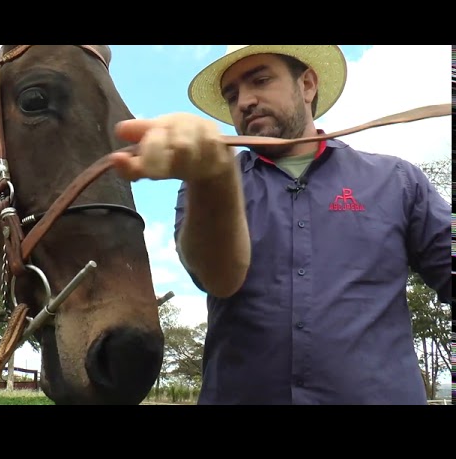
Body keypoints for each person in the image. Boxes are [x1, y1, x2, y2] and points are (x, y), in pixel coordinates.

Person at [110, 45, 450, 405]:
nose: (244, 101)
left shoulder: (397, 181)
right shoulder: (204, 185)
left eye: (260, 80)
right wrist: (212, 179)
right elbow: (217, 278)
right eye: (232, 94)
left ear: (306, 85)